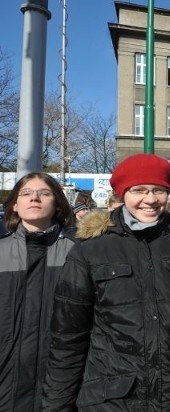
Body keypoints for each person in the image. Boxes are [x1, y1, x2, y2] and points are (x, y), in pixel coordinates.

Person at [42, 154, 170, 410]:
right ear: (122, 194)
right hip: (111, 400)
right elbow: (68, 339)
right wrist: (57, 406)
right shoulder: (91, 250)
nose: (150, 199)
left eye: (159, 191)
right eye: (139, 190)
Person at [0, 173, 75, 411]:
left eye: (44, 193)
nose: (34, 198)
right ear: (14, 204)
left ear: (57, 204)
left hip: (61, 388)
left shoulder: (79, 254)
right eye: (26, 193)